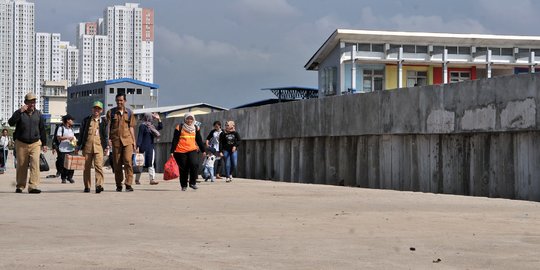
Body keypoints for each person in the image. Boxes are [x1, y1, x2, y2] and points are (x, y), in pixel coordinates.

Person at [8, 92, 48, 194]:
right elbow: (11, 122)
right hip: (21, 143)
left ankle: (33, 186)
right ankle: (20, 186)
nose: (32, 104)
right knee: (22, 165)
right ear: (25, 102)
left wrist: (44, 143)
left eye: (34, 102)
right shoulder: (20, 113)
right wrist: (19, 112)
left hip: (35, 143)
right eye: (30, 102)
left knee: (35, 164)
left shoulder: (38, 114)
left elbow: (42, 129)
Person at [107, 93, 137, 192]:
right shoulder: (111, 112)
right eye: (117, 100)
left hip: (127, 140)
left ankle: (128, 184)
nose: (119, 102)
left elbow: (131, 127)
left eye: (121, 100)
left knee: (128, 161)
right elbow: (108, 127)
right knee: (117, 163)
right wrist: (108, 139)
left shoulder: (129, 112)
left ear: (125, 101)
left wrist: (134, 141)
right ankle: (118, 184)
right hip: (116, 141)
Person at [77, 101, 108, 193]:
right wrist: (78, 145)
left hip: (99, 147)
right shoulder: (86, 120)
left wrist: (106, 147)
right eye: (95, 108)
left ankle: (99, 185)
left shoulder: (104, 121)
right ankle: (87, 186)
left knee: (98, 166)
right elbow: (81, 133)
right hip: (87, 147)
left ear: (101, 110)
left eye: (98, 109)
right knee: (86, 168)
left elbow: (105, 135)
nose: (96, 110)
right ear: (92, 109)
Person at [170, 113, 205, 191]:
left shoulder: (196, 128)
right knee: (183, 169)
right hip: (180, 151)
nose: (189, 120)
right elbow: (175, 140)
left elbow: (199, 140)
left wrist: (203, 150)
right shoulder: (179, 127)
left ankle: (192, 183)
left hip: (192, 150)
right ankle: (184, 185)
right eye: (188, 119)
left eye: (191, 119)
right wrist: (172, 151)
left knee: (194, 164)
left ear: (193, 120)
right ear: (185, 119)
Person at [135, 112, 162, 185]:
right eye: (151, 117)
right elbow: (140, 137)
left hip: (150, 147)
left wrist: (159, 119)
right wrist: (137, 147)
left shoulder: (152, 126)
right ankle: (137, 180)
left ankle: (152, 179)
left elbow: (160, 127)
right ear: (147, 117)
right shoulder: (142, 126)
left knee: (151, 163)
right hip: (142, 148)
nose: (152, 119)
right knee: (140, 164)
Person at [56, 114, 76, 184]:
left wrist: (74, 141)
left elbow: (73, 138)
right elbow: (58, 137)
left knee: (71, 164)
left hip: (71, 149)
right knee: (63, 164)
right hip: (63, 149)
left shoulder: (72, 129)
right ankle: (63, 178)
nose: (72, 121)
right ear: (67, 120)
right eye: (71, 120)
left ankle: (70, 177)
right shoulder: (61, 128)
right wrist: (67, 138)